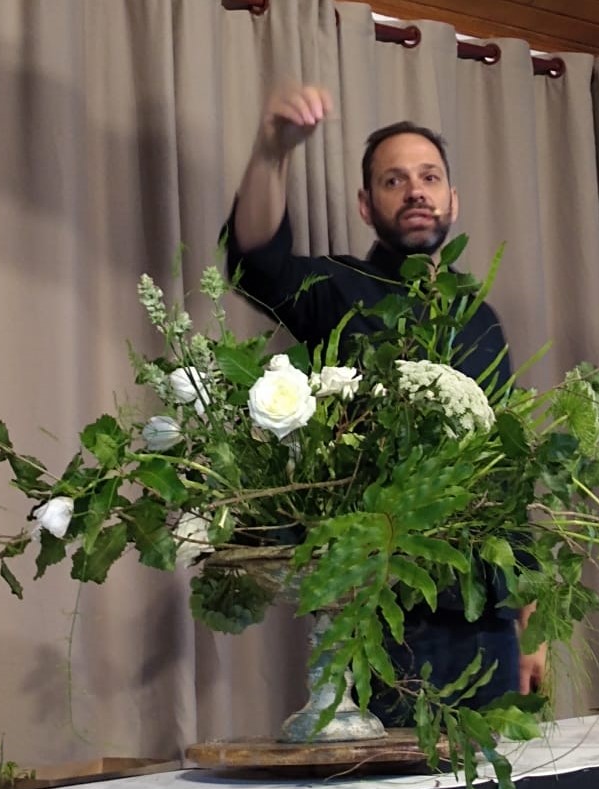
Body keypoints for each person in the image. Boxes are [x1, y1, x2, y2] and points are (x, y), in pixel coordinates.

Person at [225, 83, 546, 720]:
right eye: (394, 181)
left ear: (453, 199)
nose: (416, 190)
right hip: (386, 613)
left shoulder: (482, 319)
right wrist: (272, 149)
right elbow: (255, 262)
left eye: (429, 177)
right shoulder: (336, 288)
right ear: (367, 206)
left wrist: (529, 620)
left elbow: (508, 477)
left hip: (490, 615)